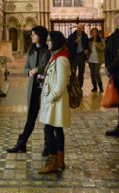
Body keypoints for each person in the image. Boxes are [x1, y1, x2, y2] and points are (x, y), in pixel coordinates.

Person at [7, 26, 51, 154]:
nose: (31, 37)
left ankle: (47, 146)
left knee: (46, 118)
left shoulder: (47, 51)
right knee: (31, 118)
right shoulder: (31, 50)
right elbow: (26, 68)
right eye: (31, 35)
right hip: (33, 89)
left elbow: (48, 67)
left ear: (40, 36)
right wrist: (29, 72)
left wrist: (38, 69)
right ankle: (21, 143)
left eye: (33, 35)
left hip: (45, 89)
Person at [38, 31, 71, 174]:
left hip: (55, 101)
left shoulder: (61, 59)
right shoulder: (56, 56)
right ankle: (60, 160)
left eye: (50, 40)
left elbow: (62, 82)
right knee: (57, 129)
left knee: (49, 129)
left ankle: (53, 162)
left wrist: (51, 97)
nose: (47, 43)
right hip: (53, 99)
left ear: (56, 42)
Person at [67, 23, 90, 88]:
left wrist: (86, 49)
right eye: (78, 28)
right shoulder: (72, 36)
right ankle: (73, 86)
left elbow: (87, 44)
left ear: (82, 28)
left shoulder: (85, 35)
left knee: (81, 72)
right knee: (73, 72)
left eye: (81, 28)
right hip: (74, 56)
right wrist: (74, 42)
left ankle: (80, 86)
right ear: (76, 28)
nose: (79, 30)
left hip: (82, 56)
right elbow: (68, 44)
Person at [88, 27, 106, 93]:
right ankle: (94, 87)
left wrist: (97, 46)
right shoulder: (89, 40)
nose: (94, 33)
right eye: (92, 32)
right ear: (91, 33)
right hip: (90, 59)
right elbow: (88, 49)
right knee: (92, 74)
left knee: (97, 74)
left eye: (95, 32)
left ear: (97, 33)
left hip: (98, 59)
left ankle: (101, 87)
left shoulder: (101, 40)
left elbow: (103, 48)